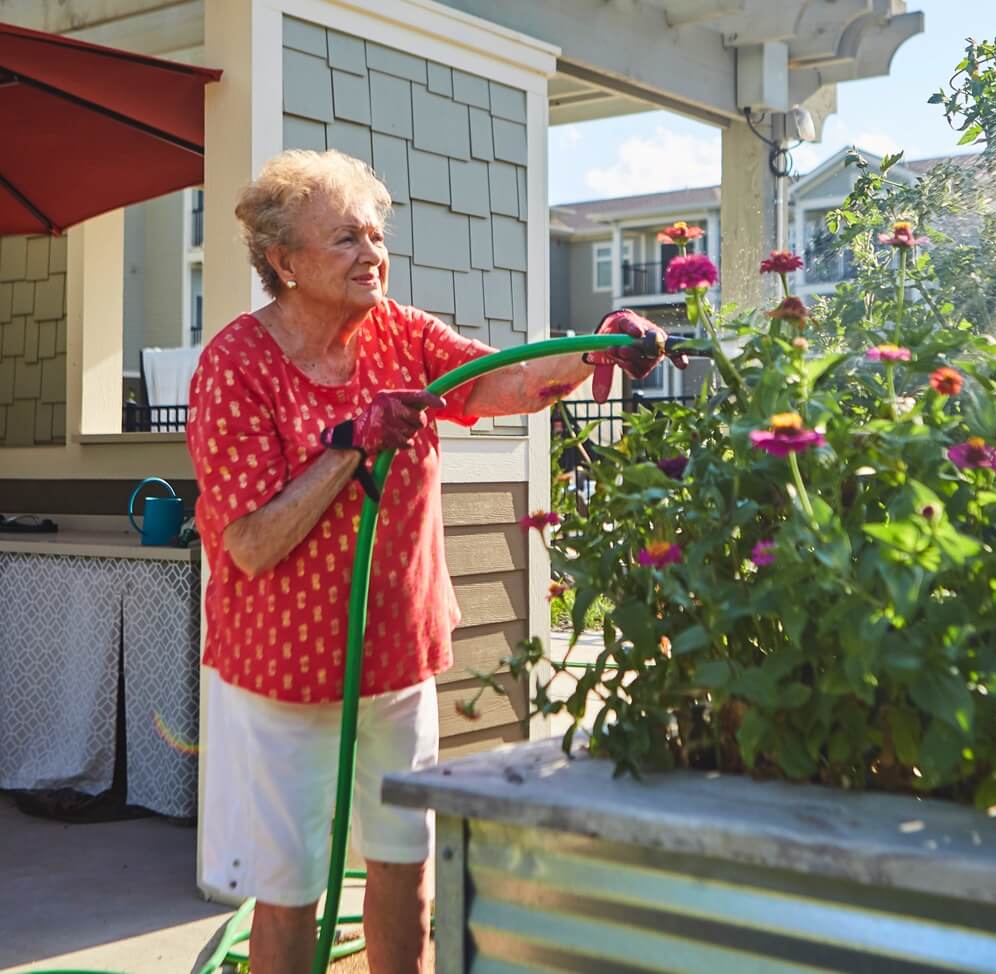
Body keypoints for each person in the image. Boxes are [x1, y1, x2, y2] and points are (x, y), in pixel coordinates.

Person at [186, 149, 675, 974]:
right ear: (284, 261)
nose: (372, 254)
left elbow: (502, 383)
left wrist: (600, 345)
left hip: (395, 653)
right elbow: (250, 542)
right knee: (289, 890)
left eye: (376, 235)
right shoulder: (235, 366)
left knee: (405, 866)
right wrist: (349, 444)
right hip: (284, 670)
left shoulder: (402, 334)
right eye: (344, 239)